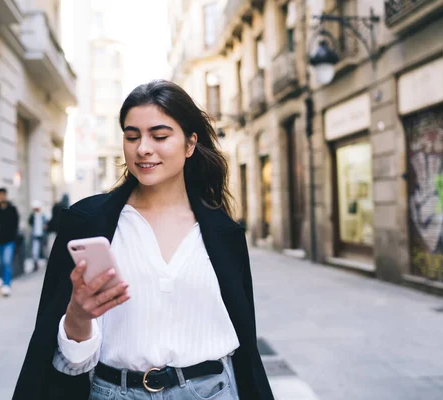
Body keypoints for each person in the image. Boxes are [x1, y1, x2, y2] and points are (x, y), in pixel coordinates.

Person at [14, 80, 274, 399]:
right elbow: (70, 362)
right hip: (112, 391)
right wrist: (78, 317)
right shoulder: (87, 223)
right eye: (132, 136)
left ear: (190, 144)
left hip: (212, 392)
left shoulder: (224, 233)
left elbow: (246, 347)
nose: (143, 149)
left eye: (160, 136)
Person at [28, 200, 48, 270]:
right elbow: (30, 222)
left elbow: (46, 225)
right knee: (35, 251)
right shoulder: (32, 216)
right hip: (35, 235)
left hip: (42, 235)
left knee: (44, 249)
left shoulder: (43, 216)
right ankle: (35, 264)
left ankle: (46, 262)